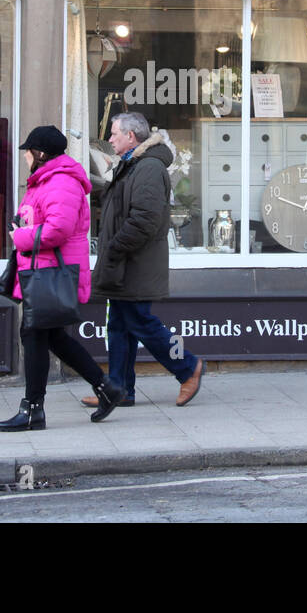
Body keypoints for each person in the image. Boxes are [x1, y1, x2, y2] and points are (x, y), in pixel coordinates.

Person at [0, 125, 125, 431]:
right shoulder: (46, 180)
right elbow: (36, 215)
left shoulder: (60, 182)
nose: (26, 156)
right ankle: (106, 388)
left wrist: (22, 236)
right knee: (50, 336)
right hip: (39, 270)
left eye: (28, 151)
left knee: (35, 335)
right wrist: (22, 223)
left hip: (49, 272)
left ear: (40, 154)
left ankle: (32, 411)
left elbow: (58, 229)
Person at [82, 111, 204, 410]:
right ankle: (119, 389)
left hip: (135, 262)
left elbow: (145, 219)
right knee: (119, 326)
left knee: (140, 323)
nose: (110, 139)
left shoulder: (148, 168)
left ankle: (187, 367)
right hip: (125, 263)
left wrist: (113, 247)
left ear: (131, 137)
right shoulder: (131, 165)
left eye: (114, 134)